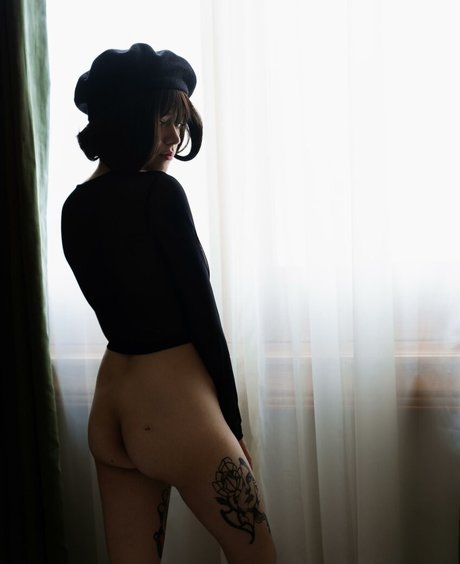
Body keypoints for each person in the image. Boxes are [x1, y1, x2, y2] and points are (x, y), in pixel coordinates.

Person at [61, 43, 276, 564]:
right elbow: (203, 319)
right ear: (125, 120)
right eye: (161, 121)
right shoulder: (160, 194)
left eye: (178, 122)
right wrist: (233, 428)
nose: (174, 137)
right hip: (174, 410)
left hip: (111, 410)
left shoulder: (74, 207)